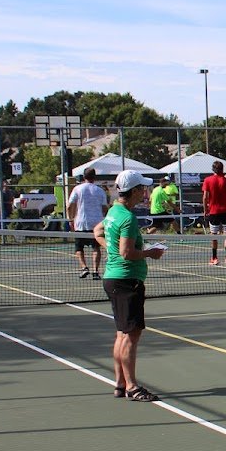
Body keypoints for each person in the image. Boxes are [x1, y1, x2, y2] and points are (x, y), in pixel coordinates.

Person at [94, 170, 164, 403]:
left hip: (115, 279)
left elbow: (97, 232)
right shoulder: (127, 217)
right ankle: (132, 387)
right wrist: (151, 253)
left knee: (122, 334)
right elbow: (126, 253)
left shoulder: (113, 212)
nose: (145, 192)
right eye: (142, 188)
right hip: (126, 280)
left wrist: (111, 248)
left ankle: (120, 384)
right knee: (131, 336)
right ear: (134, 191)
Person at [67, 167, 109, 278]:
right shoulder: (100, 191)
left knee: (79, 248)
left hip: (81, 223)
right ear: (94, 177)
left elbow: (69, 206)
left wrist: (70, 219)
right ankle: (95, 271)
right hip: (96, 224)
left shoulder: (77, 189)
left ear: (84, 177)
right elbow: (105, 208)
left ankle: (84, 267)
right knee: (96, 248)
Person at [201, 160, 226, 266]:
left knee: (214, 234)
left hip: (214, 211)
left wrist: (205, 210)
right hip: (225, 211)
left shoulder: (207, 180)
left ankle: (214, 258)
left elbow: (205, 197)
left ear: (213, 169)